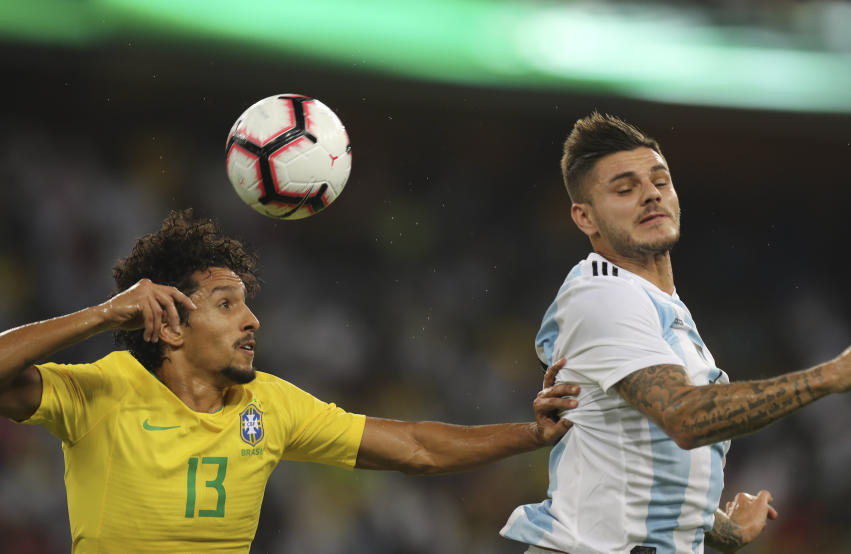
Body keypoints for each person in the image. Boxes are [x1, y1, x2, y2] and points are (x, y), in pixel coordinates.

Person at [0, 209, 580, 553]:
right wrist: (103, 313)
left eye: (247, 304)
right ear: (171, 325)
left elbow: (415, 447)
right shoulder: (104, 389)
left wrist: (528, 435)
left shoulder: (268, 404)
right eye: (226, 304)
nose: (252, 319)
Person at [499, 113, 851, 554]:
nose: (650, 195)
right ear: (585, 217)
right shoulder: (603, 297)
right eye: (625, 189)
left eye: (660, 181)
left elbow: (635, 454)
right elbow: (684, 418)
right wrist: (830, 376)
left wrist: (725, 531)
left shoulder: (659, 306)